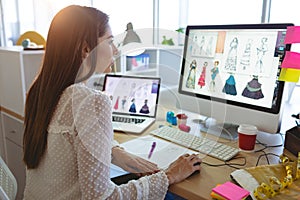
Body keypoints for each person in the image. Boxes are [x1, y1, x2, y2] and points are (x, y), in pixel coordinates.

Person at [23, 5, 201, 200]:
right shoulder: (90, 101)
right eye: (109, 42)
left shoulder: (39, 91)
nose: (115, 50)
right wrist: (169, 175)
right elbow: (103, 198)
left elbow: (68, 144)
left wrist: (114, 151)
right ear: (85, 49)